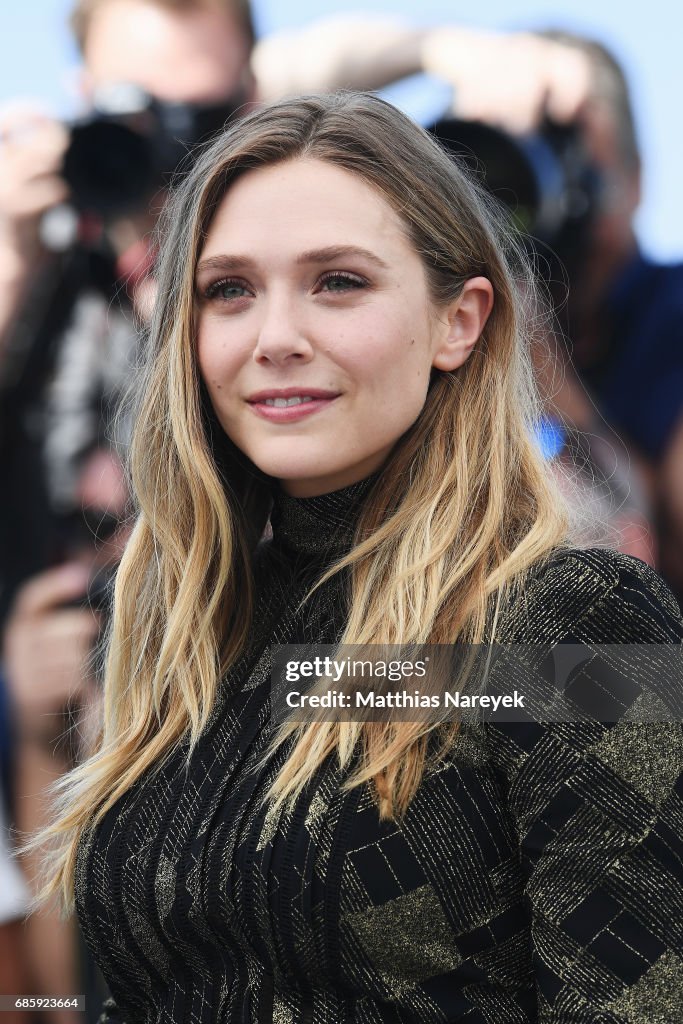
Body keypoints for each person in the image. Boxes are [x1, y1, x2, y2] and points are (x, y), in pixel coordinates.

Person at [30, 92, 683, 1024]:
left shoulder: (579, 623)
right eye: (229, 290)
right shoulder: (182, 633)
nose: (276, 338)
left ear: (459, 320)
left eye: (338, 281)